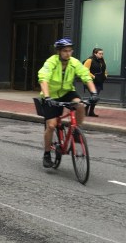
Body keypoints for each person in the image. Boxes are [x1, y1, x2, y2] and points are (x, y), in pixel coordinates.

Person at [38, 38, 98, 168]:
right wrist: (47, 97)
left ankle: (76, 130)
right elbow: (43, 78)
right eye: (65, 51)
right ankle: (47, 154)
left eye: (70, 51)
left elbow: (85, 76)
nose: (68, 53)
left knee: (80, 104)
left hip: (67, 92)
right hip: (51, 95)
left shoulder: (74, 62)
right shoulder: (51, 62)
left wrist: (94, 93)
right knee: (52, 126)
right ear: (59, 51)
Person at [83, 48, 107, 117]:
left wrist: (105, 75)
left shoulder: (103, 60)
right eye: (100, 53)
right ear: (95, 53)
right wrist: (93, 76)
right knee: (94, 95)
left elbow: (104, 69)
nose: (101, 55)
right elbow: (85, 70)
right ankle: (86, 108)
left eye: (102, 54)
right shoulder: (89, 60)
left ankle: (91, 111)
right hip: (91, 81)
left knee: (95, 97)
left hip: (100, 81)